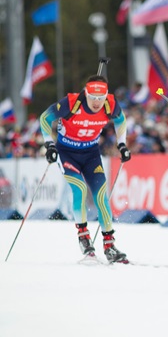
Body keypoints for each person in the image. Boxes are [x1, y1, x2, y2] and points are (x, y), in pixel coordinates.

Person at [40, 75, 132, 263]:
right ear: (86, 93)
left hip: (91, 155)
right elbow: (44, 118)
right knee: (80, 189)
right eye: (93, 98)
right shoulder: (71, 103)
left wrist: (122, 145)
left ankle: (109, 246)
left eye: (101, 98)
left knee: (101, 196)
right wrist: (49, 145)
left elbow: (121, 121)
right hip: (67, 153)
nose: (97, 103)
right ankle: (84, 237)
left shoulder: (110, 105)